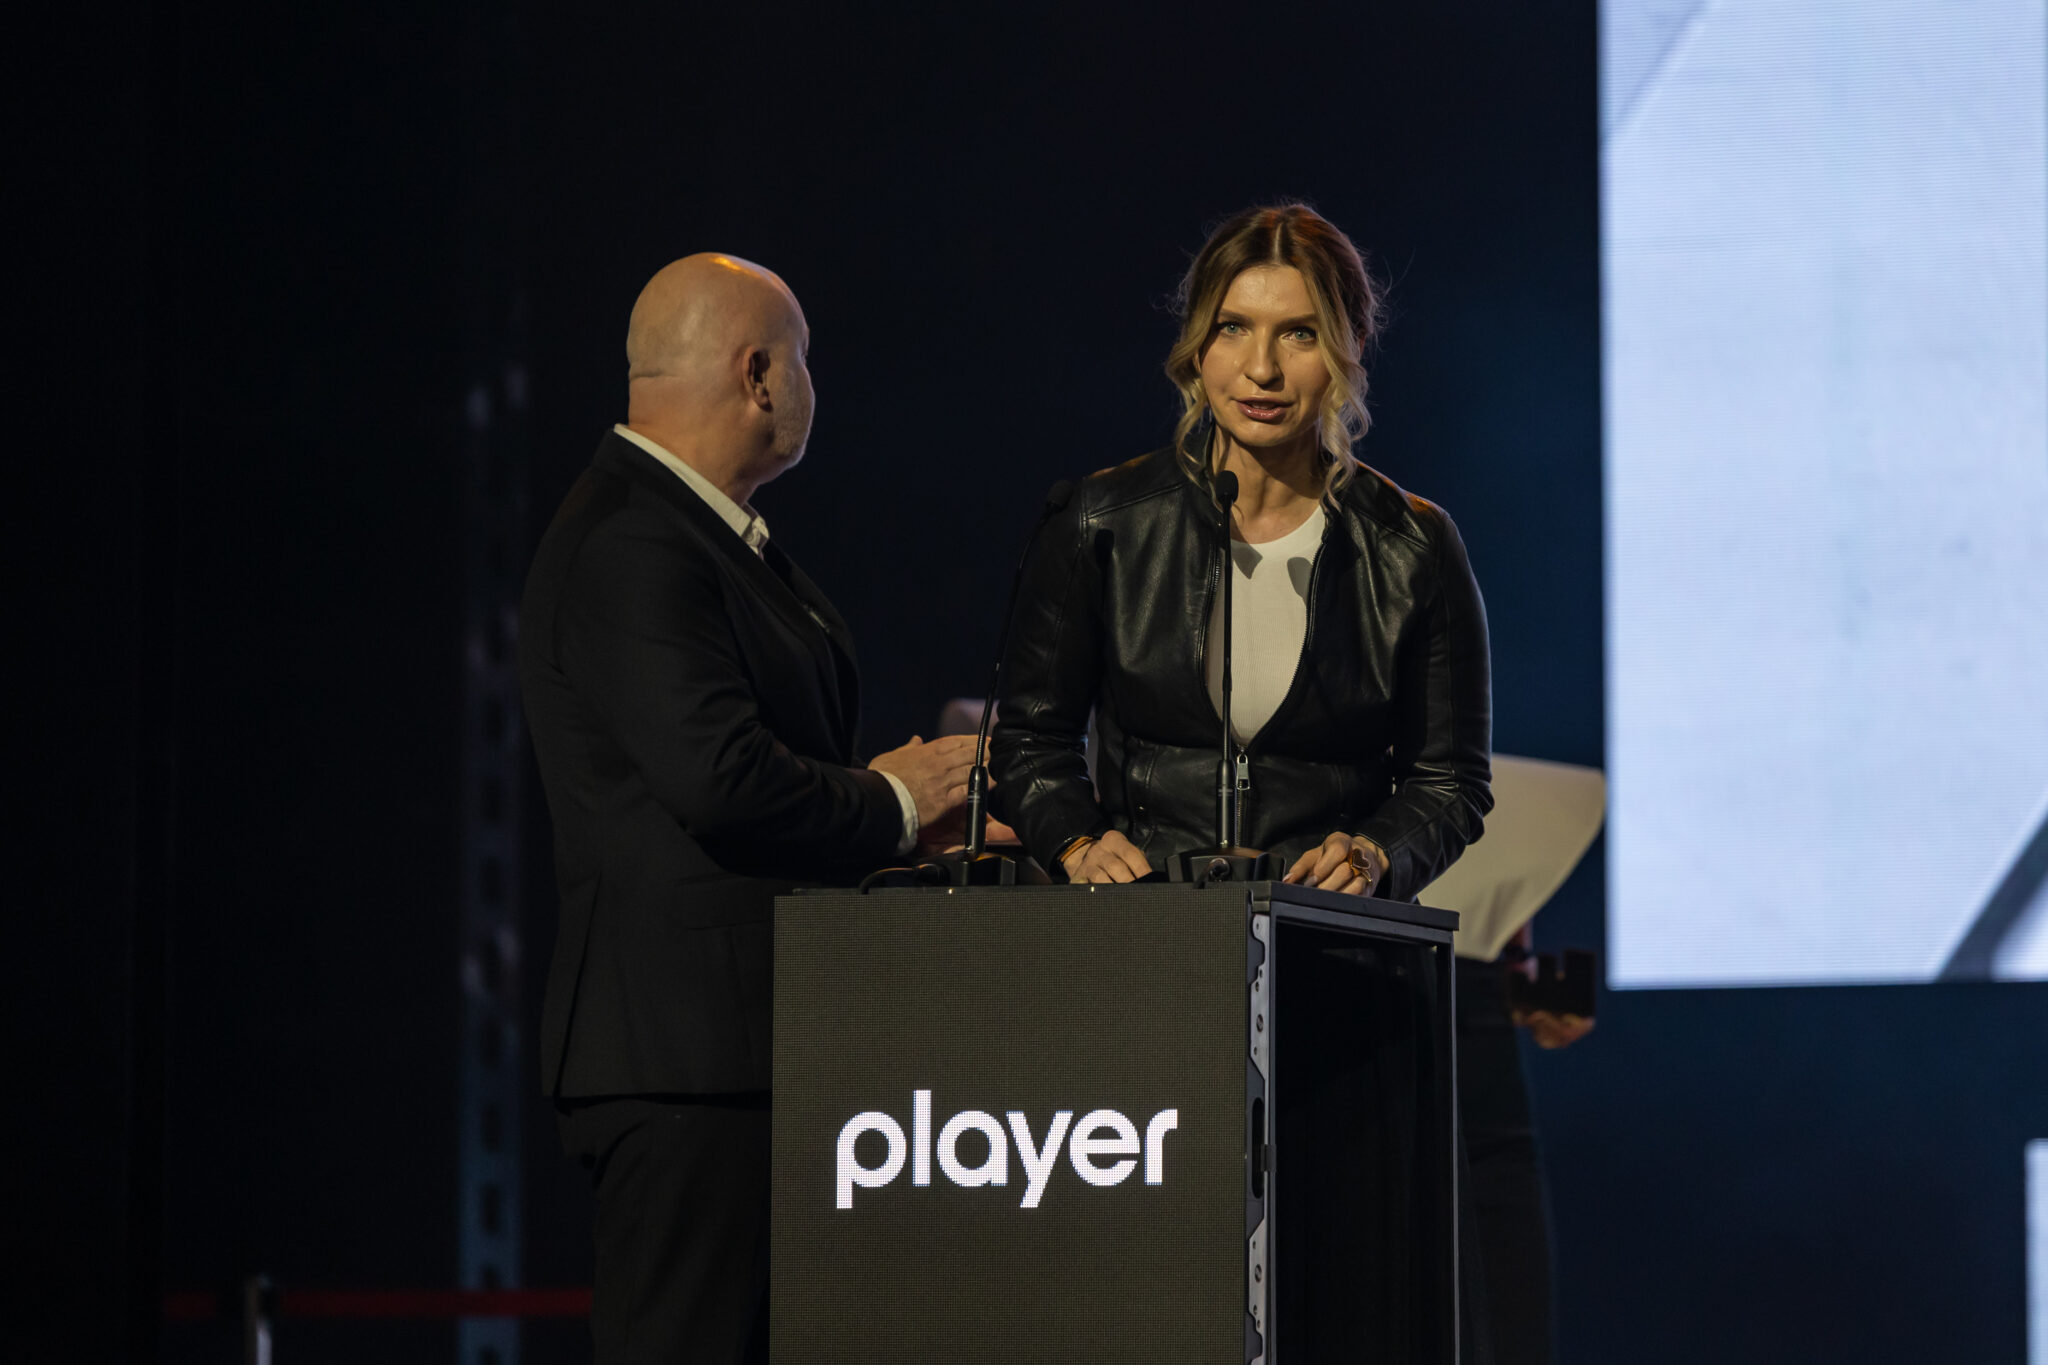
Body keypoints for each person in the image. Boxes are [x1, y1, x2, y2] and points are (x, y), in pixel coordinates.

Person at [989, 203, 1527, 1359]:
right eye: (1234, 329)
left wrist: (1378, 850)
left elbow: (1450, 780)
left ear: (1345, 350)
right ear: (1195, 344)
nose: (1262, 368)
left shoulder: (1410, 545)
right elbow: (1026, 743)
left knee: (1334, 1304)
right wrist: (1074, 839)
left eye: (1297, 333)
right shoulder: (1102, 520)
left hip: (1337, 988)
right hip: (1142, 973)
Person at [519, 253, 976, 1363]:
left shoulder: (696, 533)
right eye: (805, 360)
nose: (813, 385)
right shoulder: (634, 539)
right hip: (687, 1068)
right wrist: (891, 800)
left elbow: (748, 766)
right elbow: (719, 777)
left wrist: (893, 809)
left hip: (748, 1056)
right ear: (759, 373)